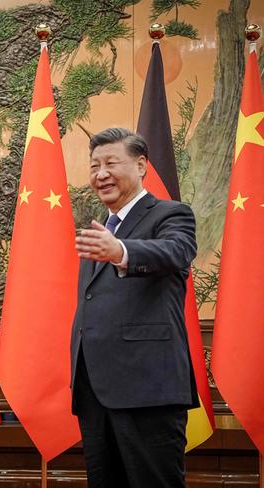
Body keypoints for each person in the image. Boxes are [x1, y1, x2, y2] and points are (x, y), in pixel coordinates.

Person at [71, 128, 198, 487]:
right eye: (94, 166)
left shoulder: (171, 214)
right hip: (95, 392)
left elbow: (176, 252)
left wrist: (122, 252)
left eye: (112, 163)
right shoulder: (101, 229)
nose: (101, 174)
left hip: (147, 390)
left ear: (141, 165)